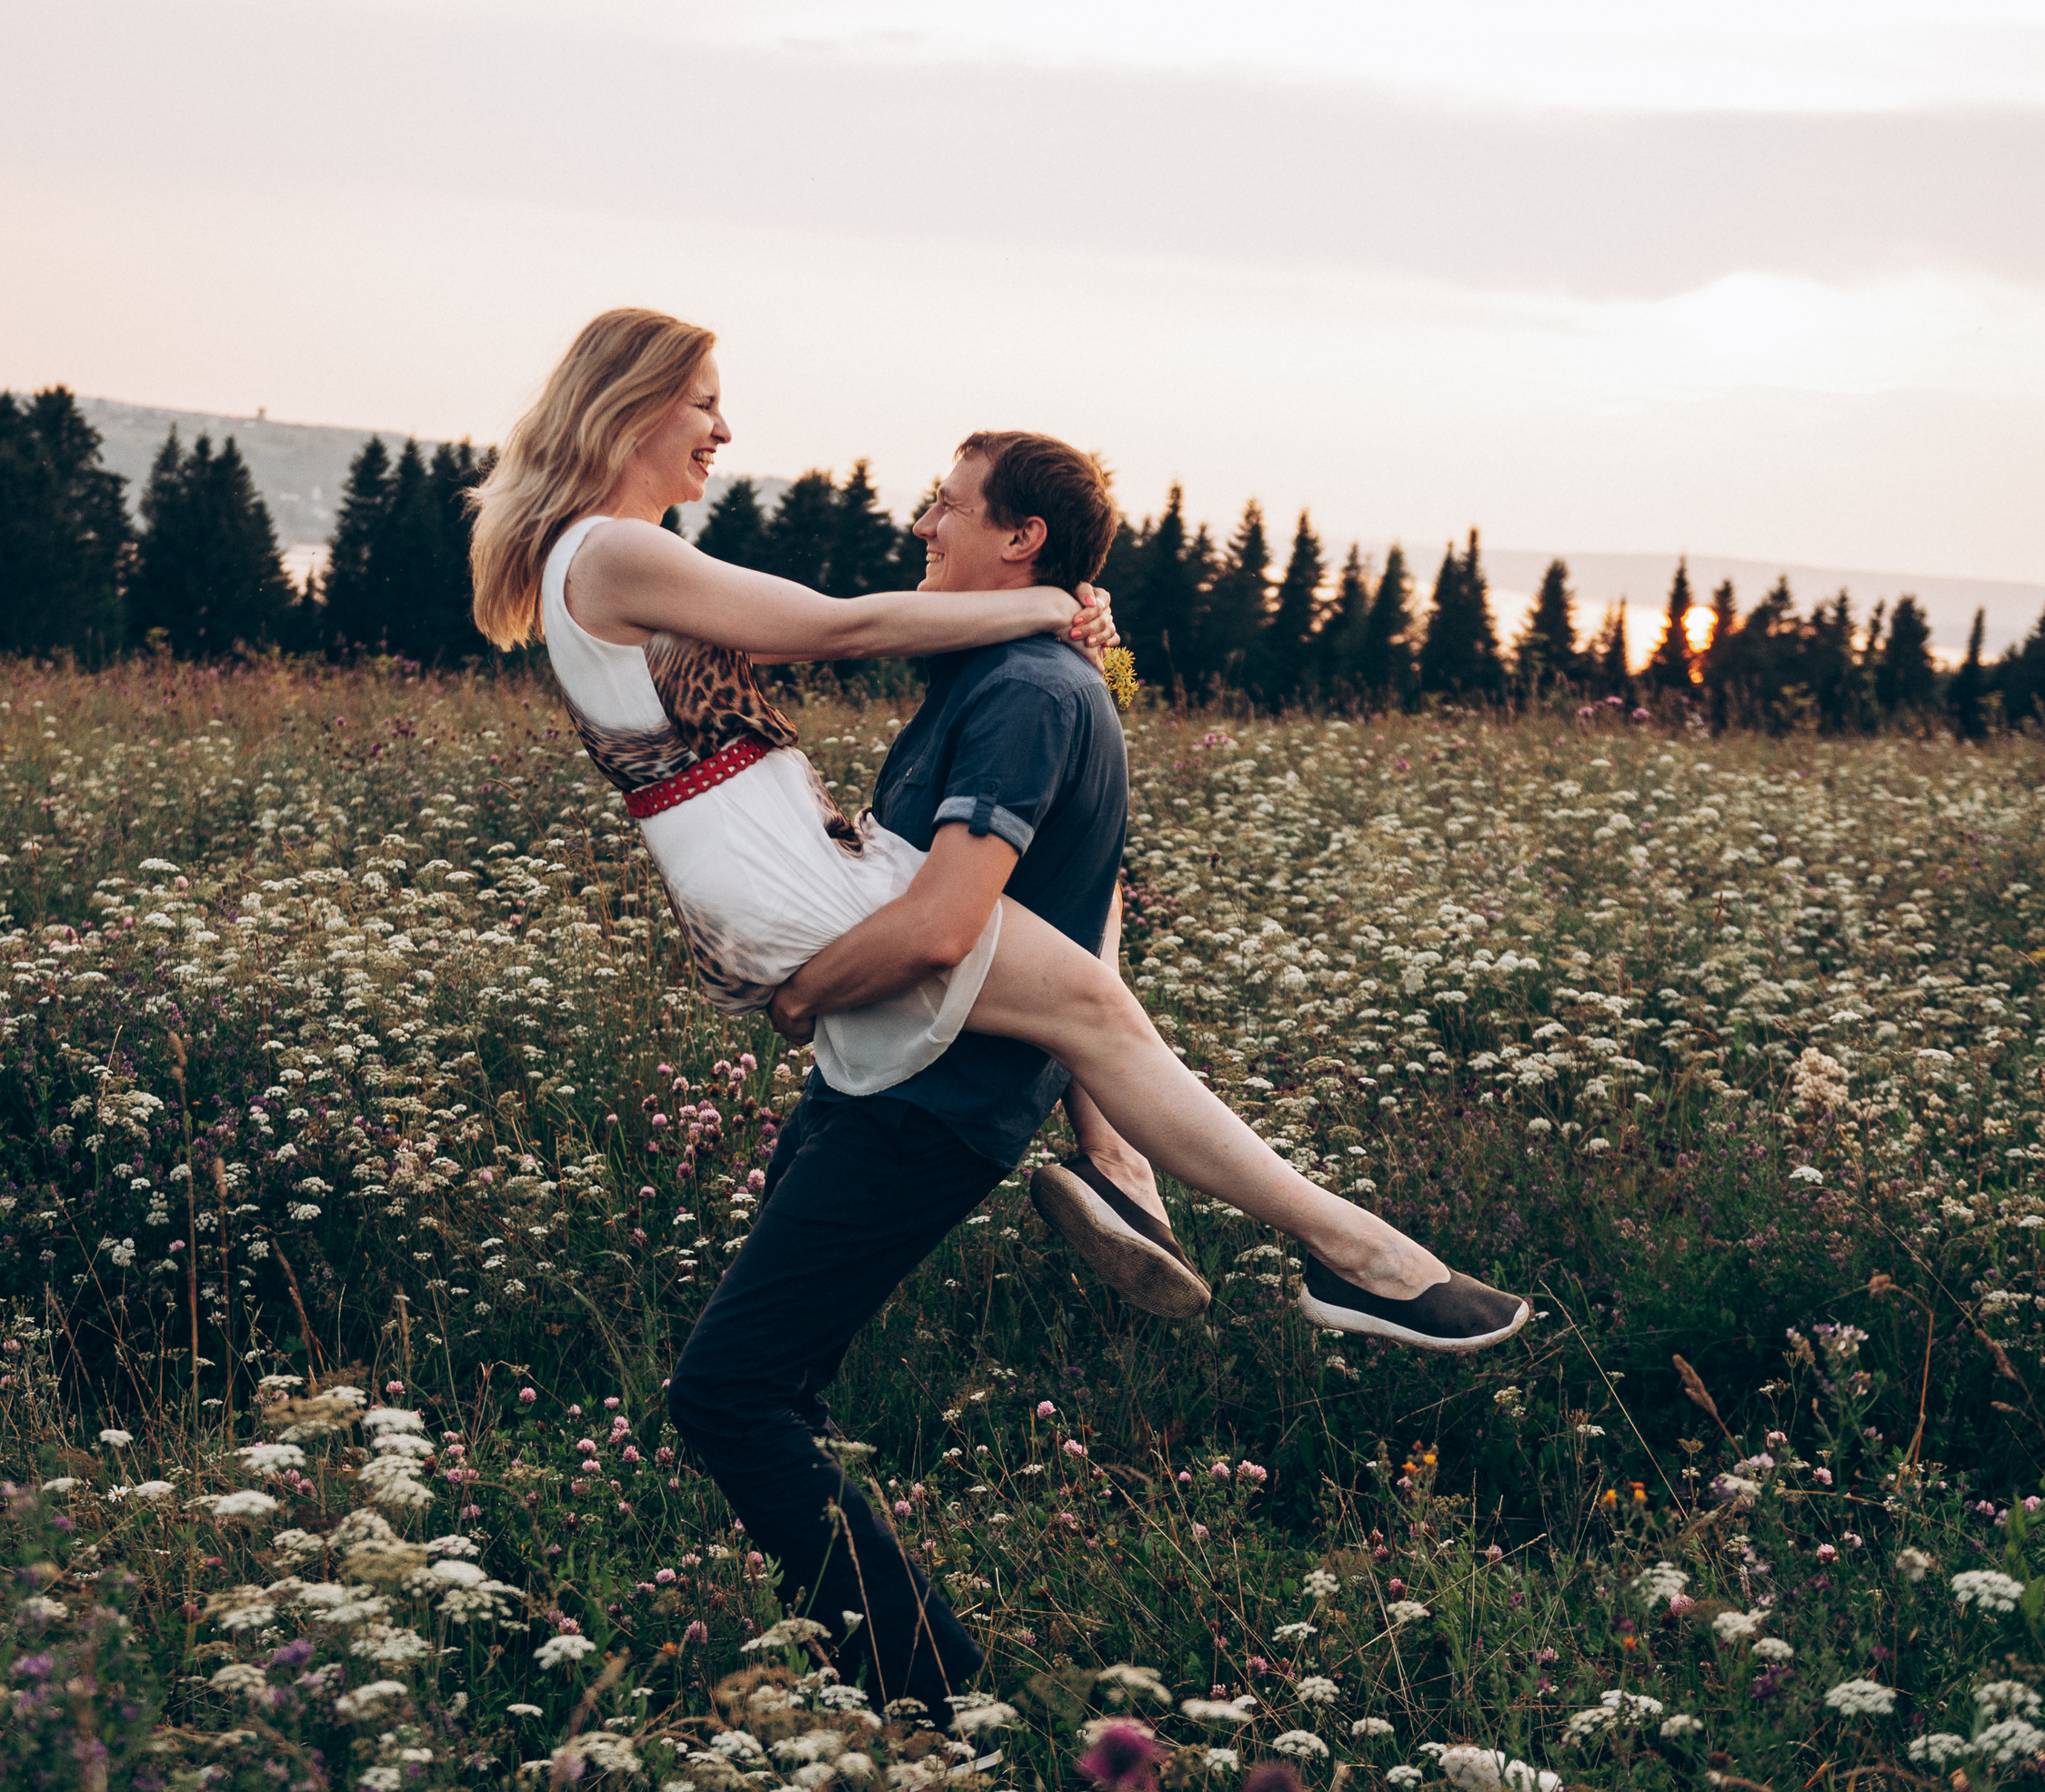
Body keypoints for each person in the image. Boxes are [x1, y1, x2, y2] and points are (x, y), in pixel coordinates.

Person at [471, 307, 1528, 1715]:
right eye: (707, 405)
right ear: (633, 405)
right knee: (1095, 1011)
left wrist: (1046, 619)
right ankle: (1361, 1259)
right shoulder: (610, 548)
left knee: (1090, 990)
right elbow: (842, 626)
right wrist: (1050, 604)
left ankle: (1215, 1211)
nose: (724, 433)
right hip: (786, 882)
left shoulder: (593, 555)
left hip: (778, 870)